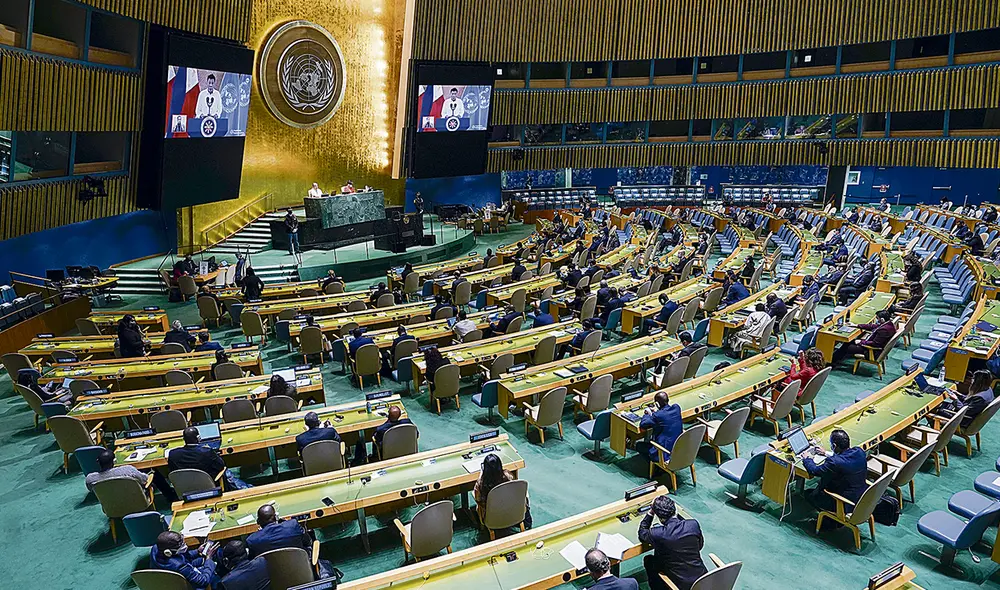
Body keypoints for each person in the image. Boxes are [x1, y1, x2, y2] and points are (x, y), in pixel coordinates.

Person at [638, 495, 708, 590]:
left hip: (681, 585)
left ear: (660, 517)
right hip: (703, 579)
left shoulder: (658, 533)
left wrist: (651, 512)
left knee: (649, 560)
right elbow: (700, 546)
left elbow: (642, 533)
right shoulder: (693, 524)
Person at [803, 429, 867, 512]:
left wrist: (807, 459)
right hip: (862, 497)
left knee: (809, 494)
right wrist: (825, 453)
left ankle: (830, 519)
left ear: (834, 445)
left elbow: (814, 471)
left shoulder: (834, 462)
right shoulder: (859, 451)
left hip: (844, 503)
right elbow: (844, 457)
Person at [168, 427, 250, 490]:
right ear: (199, 438)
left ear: (184, 439)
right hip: (208, 485)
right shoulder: (206, 451)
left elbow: (173, 470)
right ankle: (245, 488)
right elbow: (221, 466)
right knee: (226, 471)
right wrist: (214, 455)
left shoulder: (173, 454)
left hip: (185, 487)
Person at [473, 453, 530, 528]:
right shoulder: (508, 476)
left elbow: (478, 499)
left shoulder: (481, 483)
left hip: (492, 518)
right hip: (513, 512)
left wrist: (481, 476)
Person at [151, 531, 218, 590]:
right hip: (184, 584)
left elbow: (181, 557)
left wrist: (197, 551)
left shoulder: (157, 548)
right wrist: (209, 559)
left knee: (202, 560)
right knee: (214, 576)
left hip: (167, 581)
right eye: (181, 545)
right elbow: (203, 581)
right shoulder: (180, 566)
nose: (185, 546)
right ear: (168, 552)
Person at [831, 309, 896, 365]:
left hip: (871, 351)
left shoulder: (884, 330)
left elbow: (875, 344)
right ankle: (837, 356)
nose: (877, 320)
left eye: (877, 318)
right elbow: (872, 326)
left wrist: (861, 342)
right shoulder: (888, 324)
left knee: (846, 345)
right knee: (851, 342)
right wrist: (856, 325)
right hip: (872, 346)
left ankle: (832, 361)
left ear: (882, 319)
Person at [247, 505, 313, 558]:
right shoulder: (292, 525)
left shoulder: (252, 540)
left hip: (271, 574)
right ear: (276, 517)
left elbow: (252, 560)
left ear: (258, 522)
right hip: (302, 570)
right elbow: (308, 542)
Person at [635, 392, 683, 463]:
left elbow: (643, 424)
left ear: (657, 404)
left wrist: (646, 414)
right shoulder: (677, 408)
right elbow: (665, 415)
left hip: (664, 453)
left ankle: (655, 466)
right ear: (668, 400)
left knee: (639, 445)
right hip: (677, 449)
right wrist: (657, 412)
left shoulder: (658, 416)